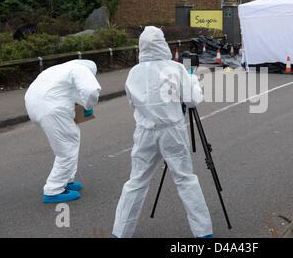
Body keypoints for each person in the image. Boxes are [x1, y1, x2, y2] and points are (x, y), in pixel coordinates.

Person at [112, 26, 213, 238]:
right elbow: (192, 100)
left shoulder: (134, 73)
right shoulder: (175, 68)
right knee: (185, 179)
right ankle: (203, 233)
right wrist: (192, 79)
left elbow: (133, 105)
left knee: (136, 182)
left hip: (144, 131)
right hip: (171, 130)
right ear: (163, 43)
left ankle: (120, 233)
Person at [24, 59, 101, 203]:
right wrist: (89, 105)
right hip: (52, 109)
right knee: (66, 149)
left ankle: (67, 180)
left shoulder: (58, 69)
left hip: (34, 106)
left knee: (70, 140)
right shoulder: (82, 70)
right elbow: (91, 91)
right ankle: (54, 190)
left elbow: (63, 92)